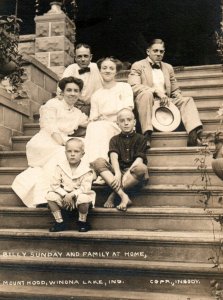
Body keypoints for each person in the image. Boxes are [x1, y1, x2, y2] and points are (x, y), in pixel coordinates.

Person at [12, 77, 88, 208]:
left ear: (79, 94)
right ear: (62, 92)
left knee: (82, 148)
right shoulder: (52, 105)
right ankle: (43, 196)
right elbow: (51, 128)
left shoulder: (77, 112)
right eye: (69, 90)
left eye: (76, 91)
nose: (72, 93)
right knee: (62, 153)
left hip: (63, 140)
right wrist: (64, 144)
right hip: (45, 141)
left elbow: (88, 122)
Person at [128, 38, 203, 148]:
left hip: (165, 101)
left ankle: (193, 134)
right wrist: (156, 91)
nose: (158, 54)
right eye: (155, 51)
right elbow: (133, 86)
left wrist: (177, 96)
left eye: (161, 51)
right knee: (146, 94)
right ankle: (146, 135)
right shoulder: (138, 65)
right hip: (148, 101)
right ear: (148, 51)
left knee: (187, 100)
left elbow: (175, 90)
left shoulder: (168, 67)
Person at [91, 108, 148, 211]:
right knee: (98, 162)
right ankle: (123, 196)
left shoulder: (141, 138)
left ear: (134, 122)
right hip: (117, 172)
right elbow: (113, 156)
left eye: (129, 120)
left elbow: (139, 159)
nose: (126, 123)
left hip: (132, 174)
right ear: (117, 123)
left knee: (142, 168)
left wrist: (126, 175)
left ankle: (114, 194)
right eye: (122, 121)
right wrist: (117, 173)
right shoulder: (114, 139)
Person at [84, 57, 134, 165]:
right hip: (102, 126)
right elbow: (93, 117)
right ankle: (93, 165)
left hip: (120, 125)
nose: (107, 70)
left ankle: (103, 166)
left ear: (116, 71)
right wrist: (95, 120)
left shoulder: (124, 87)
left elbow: (127, 111)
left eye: (111, 68)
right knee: (93, 126)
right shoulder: (96, 94)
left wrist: (108, 119)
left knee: (100, 127)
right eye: (104, 68)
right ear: (100, 71)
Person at [46, 138, 95, 232]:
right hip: (64, 197)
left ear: (82, 154)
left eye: (76, 151)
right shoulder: (60, 167)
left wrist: (72, 195)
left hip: (78, 197)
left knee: (84, 198)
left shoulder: (86, 170)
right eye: (69, 151)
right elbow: (54, 185)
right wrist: (65, 195)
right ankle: (60, 222)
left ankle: (82, 221)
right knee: (50, 195)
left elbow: (85, 187)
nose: (72, 154)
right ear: (65, 153)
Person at [62, 43, 103, 116]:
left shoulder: (97, 68)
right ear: (75, 58)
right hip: (74, 106)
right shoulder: (70, 69)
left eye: (86, 56)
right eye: (79, 56)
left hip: (94, 107)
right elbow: (61, 90)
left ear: (91, 57)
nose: (83, 59)